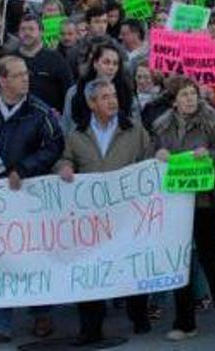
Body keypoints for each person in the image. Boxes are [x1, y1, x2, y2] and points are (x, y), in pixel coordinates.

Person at [0, 56, 64, 344]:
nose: (26, 79)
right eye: (19, 75)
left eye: (26, 74)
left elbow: (55, 145)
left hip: (29, 195)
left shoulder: (39, 111)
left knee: (33, 254)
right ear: (3, 80)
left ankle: (42, 313)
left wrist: (24, 168)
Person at [56, 78, 153, 345]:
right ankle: (91, 328)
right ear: (91, 103)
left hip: (127, 213)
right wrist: (63, 167)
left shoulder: (133, 130)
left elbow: (149, 160)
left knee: (131, 264)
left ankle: (138, 315)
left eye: (113, 95)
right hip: (92, 217)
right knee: (90, 270)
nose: (112, 100)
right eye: (104, 97)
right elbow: (66, 158)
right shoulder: (77, 135)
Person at [151, 76, 215, 341]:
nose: (190, 98)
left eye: (192, 93)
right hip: (175, 205)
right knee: (179, 263)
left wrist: (211, 156)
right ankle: (184, 322)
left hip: (205, 203)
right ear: (173, 101)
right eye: (184, 95)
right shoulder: (161, 127)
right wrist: (157, 157)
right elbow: (151, 160)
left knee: (211, 259)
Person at [15, 14, 74, 113]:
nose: (26, 33)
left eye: (31, 29)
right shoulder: (10, 59)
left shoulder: (56, 59)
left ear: (41, 32)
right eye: (23, 29)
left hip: (49, 119)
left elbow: (69, 91)